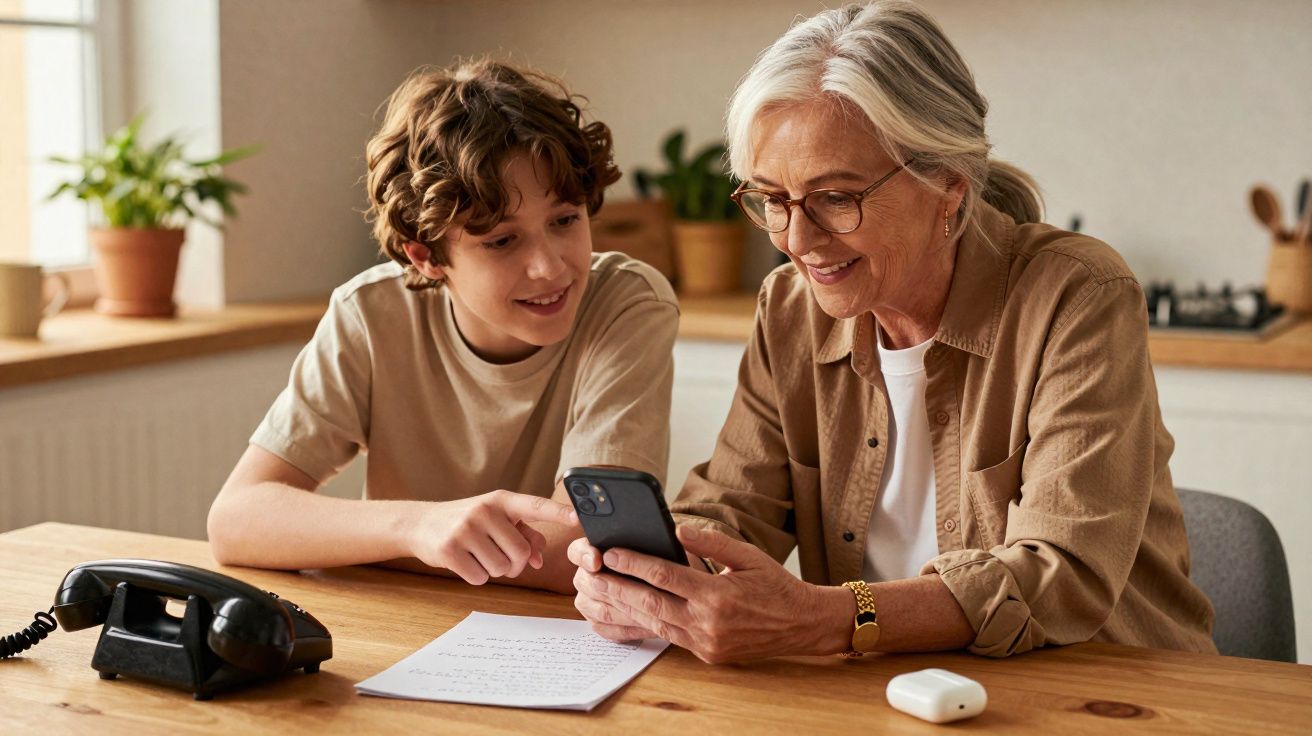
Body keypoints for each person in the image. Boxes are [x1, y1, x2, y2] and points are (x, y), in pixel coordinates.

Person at [569, 0, 1216, 661]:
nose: (795, 240)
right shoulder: (789, 308)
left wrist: (824, 618)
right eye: (772, 199)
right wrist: (662, 582)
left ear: (948, 185)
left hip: (1107, 690)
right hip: (889, 695)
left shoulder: (1077, 296)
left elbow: (1060, 574)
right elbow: (731, 508)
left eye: (835, 198)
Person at [208, 60, 679, 595]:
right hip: (405, 626)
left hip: (559, 641)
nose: (549, 266)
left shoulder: (626, 302)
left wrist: (365, 545)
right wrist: (418, 528)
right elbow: (236, 519)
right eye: (502, 241)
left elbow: (592, 552)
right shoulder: (369, 313)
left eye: (565, 220)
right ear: (425, 255)